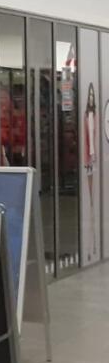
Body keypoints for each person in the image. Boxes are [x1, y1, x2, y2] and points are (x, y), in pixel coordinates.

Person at [86, 82, 98, 259]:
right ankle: (92, 246)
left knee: (93, 199)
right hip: (89, 161)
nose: (90, 99)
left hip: (93, 160)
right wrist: (91, 155)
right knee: (90, 200)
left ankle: (94, 245)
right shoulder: (88, 116)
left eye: (91, 96)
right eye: (89, 96)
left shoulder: (94, 115)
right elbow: (89, 139)